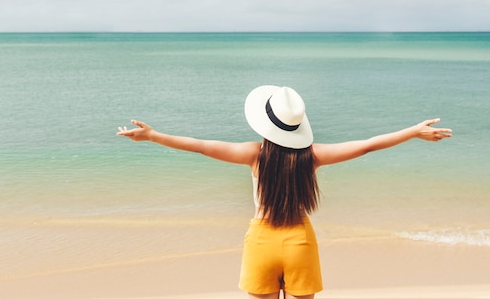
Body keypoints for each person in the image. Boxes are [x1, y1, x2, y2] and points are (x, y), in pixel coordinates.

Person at [117, 85, 452, 299]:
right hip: (299, 241)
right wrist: (412, 132)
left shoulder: (254, 155)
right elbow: (365, 146)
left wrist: (154, 136)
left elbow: (203, 147)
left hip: (261, 242)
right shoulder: (314, 156)